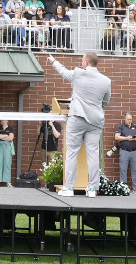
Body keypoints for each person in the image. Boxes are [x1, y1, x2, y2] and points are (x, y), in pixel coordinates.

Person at [46, 51, 110, 194]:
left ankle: (69, 187)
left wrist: (53, 61)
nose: (81, 63)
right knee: (93, 155)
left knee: (72, 153)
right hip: (95, 121)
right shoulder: (106, 81)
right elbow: (105, 102)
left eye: (82, 60)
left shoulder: (78, 74)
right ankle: (92, 188)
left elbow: (63, 71)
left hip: (77, 118)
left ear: (86, 62)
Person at [113, 112, 136, 191]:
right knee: (123, 169)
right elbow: (117, 137)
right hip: (124, 151)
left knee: (135, 170)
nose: (130, 121)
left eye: (131, 119)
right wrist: (127, 138)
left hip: (134, 151)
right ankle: (123, 188)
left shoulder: (135, 127)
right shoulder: (121, 126)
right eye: (128, 119)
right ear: (124, 119)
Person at [0, 117, 16, 186]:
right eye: (1, 119)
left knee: (7, 163)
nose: (2, 120)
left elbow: (11, 138)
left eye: (3, 119)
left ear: (7, 120)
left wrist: (1, 136)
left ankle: (8, 181)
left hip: (7, 146)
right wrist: (6, 135)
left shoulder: (10, 128)